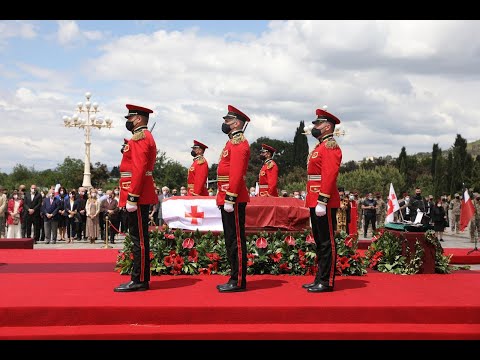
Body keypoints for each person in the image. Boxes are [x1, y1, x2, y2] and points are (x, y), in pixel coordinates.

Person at [114, 104, 157, 292]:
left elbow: (139, 169)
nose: (128, 122)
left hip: (137, 195)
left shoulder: (141, 137)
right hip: (136, 193)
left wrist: (132, 196)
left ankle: (139, 279)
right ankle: (140, 277)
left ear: (138, 119)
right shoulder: (139, 137)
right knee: (138, 238)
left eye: (130, 119)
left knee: (138, 239)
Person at [302, 106, 342, 293]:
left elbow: (329, 175)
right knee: (320, 241)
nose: (315, 126)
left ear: (327, 126)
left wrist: (322, 200)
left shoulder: (330, 146)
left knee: (327, 242)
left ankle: (327, 280)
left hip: (323, 200)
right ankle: (320, 277)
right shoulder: (320, 146)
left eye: (318, 123)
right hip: (315, 198)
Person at [216, 105, 251, 293]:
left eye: (227, 120)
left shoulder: (239, 143)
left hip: (233, 198)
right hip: (227, 196)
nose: (224, 123)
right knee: (230, 239)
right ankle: (234, 277)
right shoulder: (231, 143)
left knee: (235, 239)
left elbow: (236, 174)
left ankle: (238, 280)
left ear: (236, 123)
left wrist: (230, 197)